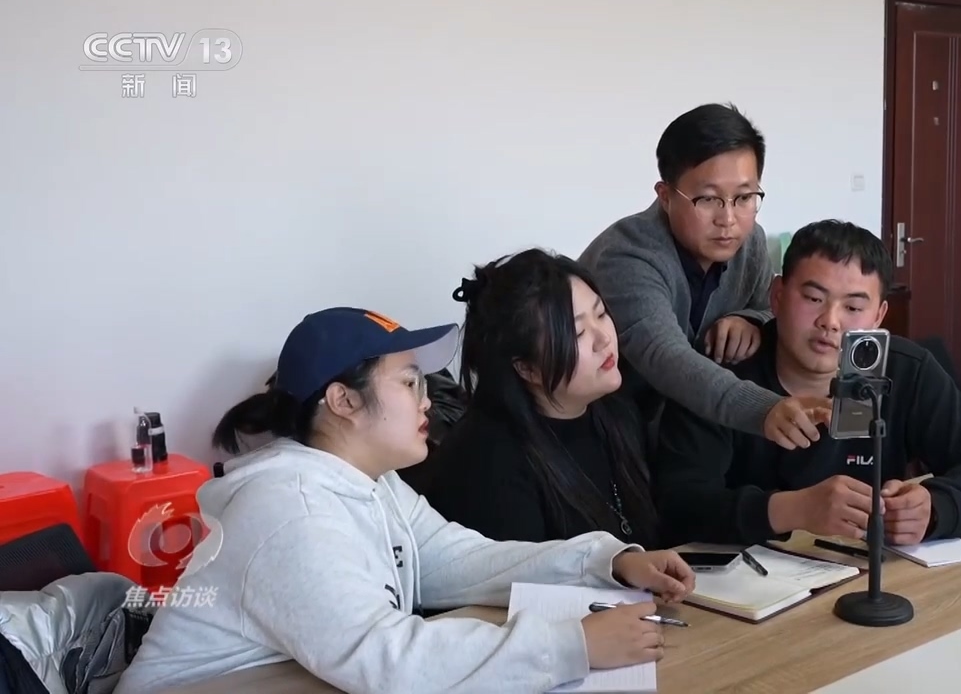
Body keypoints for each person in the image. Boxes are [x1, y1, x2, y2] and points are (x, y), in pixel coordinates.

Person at [117, 307, 695, 694]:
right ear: (343, 401)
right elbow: (388, 660)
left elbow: (461, 560)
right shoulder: (291, 510)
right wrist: (571, 646)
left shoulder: (373, 483)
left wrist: (606, 561)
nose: (428, 400)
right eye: (409, 381)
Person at [651, 220, 961, 548]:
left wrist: (933, 509)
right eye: (813, 298)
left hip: (871, 573)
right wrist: (793, 509)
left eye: (853, 308)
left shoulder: (906, 370)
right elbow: (679, 504)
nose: (830, 321)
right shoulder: (723, 376)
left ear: (878, 316)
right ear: (777, 296)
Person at [579, 103, 829, 451]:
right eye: (709, 199)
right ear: (666, 196)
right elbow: (666, 357)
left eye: (744, 197)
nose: (728, 219)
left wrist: (749, 319)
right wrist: (765, 409)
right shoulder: (627, 256)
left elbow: (769, 308)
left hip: (684, 434)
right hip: (598, 431)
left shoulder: (750, 242)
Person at [402, 249, 661, 548]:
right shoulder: (488, 461)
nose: (604, 338)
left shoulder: (615, 411)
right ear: (527, 368)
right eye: (577, 333)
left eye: (601, 314)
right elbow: (522, 575)